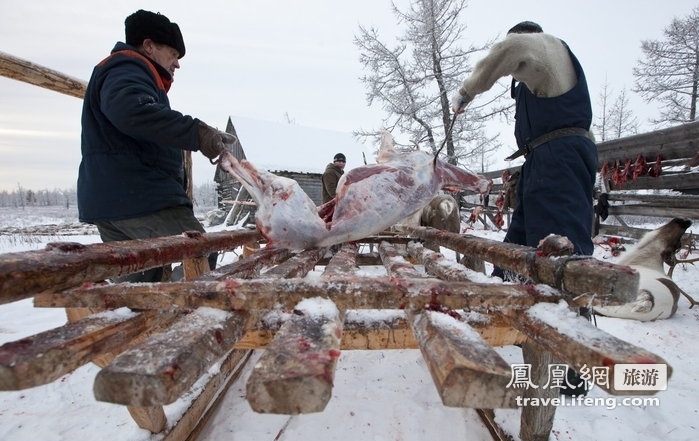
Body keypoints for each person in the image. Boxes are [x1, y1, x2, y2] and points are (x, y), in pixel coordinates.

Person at [451, 21, 597, 397]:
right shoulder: (540, 80)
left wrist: (467, 92)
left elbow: (511, 49)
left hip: (560, 158)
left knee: (562, 252)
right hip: (541, 160)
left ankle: (576, 360)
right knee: (517, 244)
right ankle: (497, 314)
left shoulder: (540, 46)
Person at [78, 9, 236, 282]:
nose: (177, 64)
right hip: (138, 196)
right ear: (149, 46)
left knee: (143, 277)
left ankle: (135, 318)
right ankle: (185, 313)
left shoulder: (130, 75)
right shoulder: (126, 69)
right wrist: (197, 133)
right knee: (197, 251)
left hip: (113, 198)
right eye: (173, 54)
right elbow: (131, 112)